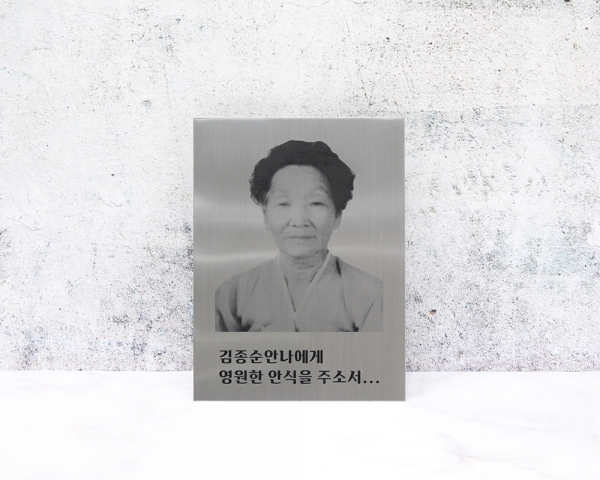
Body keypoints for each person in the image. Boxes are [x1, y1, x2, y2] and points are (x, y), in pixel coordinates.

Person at [215, 140, 383, 332]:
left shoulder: (370, 294)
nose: (299, 220)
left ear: (337, 216)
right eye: (284, 203)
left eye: (316, 203)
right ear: (266, 216)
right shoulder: (232, 294)